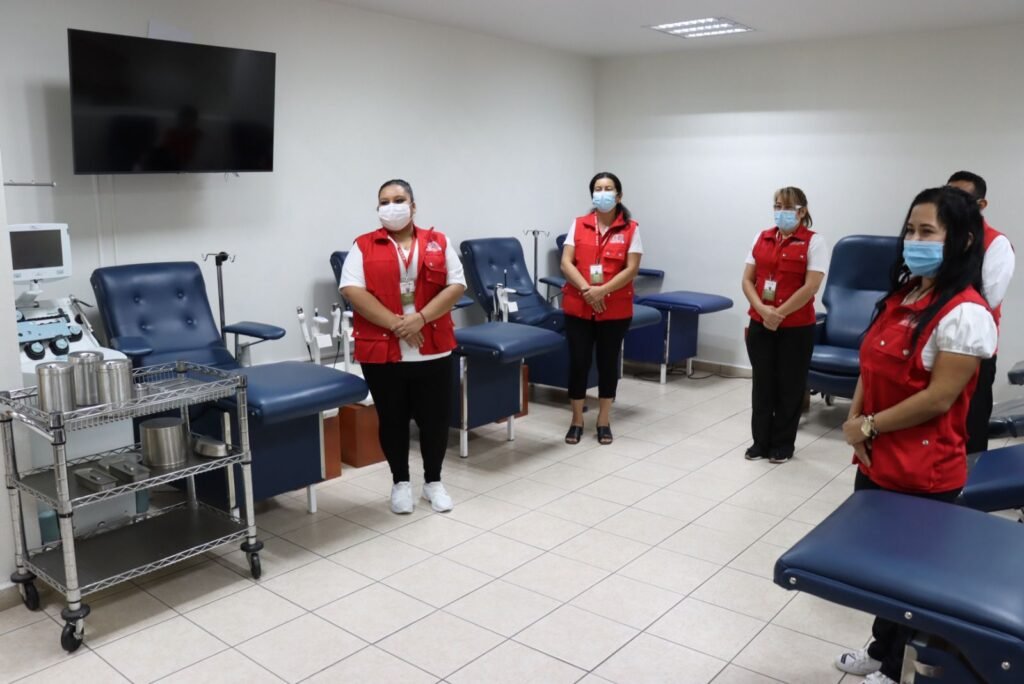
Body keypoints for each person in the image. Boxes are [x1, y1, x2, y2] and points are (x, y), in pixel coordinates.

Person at [834, 186, 997, 684]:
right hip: (877, 457)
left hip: (923, 471)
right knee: (881, 570)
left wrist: (869, 425)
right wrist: (855, 423)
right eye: (910, 230)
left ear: (962, 241)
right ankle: (880, 649)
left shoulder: (965, 313)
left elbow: (939, 398)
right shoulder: (905, 295)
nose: (914, 240)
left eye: (928, 232)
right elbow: (871, 363)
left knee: (909, 579)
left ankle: (894, 669)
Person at [339, 179, 466, 514]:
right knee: (392, 420)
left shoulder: (439, 242)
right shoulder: (363, 246)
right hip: (384, 352)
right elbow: (352, 290)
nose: (391, 207)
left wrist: (420, 319)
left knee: (435, 421)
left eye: (398, 200)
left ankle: (433, 482)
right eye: (384, 202)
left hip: (432, 347)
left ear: (413, 206)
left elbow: (456, 285)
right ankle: (400, 483)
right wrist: (399, 325)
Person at [741, 187, 828, 463]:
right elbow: (747, 280)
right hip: (760, 322)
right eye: (777, 206)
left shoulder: (814, 242)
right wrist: (762, 310)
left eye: (787, 207)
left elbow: (811, 286)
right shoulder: (762, 237)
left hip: (796, 327)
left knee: (789, 387)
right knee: (762, 384)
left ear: (802, 212)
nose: (781, 212)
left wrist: (778, 313)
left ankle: (782, 445)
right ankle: (760, 442)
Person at [560, 172, 643, 445]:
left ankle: (604, 420)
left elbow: (632, 269)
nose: (603, 193)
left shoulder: (631, 229)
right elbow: (566, 263)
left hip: (614, 309)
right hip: (579, 306)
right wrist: (588, 289)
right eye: (598, 188)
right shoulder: (578, 224)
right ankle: (576, 420)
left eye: (608, 188)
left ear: (618, 196)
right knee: (578, 363)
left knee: (608, 364)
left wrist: (602, 291)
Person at [946, 171, 1014, 454]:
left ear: (981, 205)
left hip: (972, 351)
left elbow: (988, 300)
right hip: (934, 346)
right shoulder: (939, 238)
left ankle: (970, 480)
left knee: (970, 429)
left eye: (961, 197)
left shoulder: (996, 244)